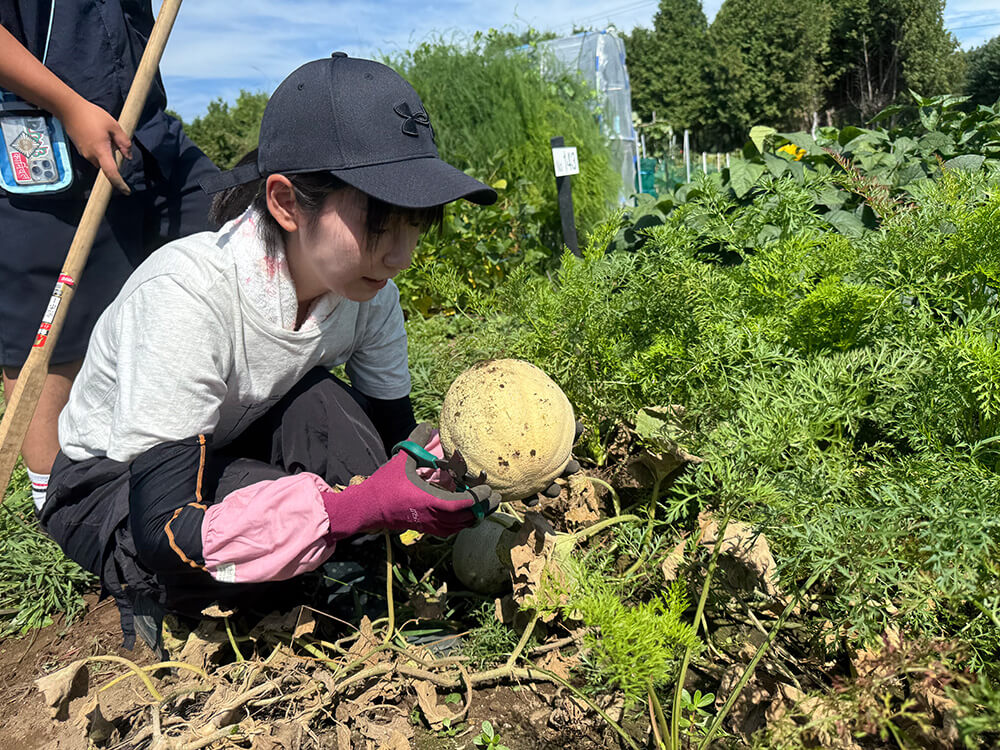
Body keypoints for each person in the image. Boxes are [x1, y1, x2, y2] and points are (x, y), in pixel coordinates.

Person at [39, 53, 504, 653]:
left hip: (228, 435)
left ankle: (356, 578)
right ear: (285, 203)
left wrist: (450, 468)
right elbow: (165, 529)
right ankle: (149, 588)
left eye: (418, 224)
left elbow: (393, 436)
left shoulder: (367, 291)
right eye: (381, 224)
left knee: (332, 418)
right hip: (120, 487)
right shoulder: (189, 295)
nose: (402, 256)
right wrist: (348, 511)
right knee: (268, 555)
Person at [0, 1, 219, 510]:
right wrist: (69, 107)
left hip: (143, 126)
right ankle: (61, 507)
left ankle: (204, 445)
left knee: (228, 231)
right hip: (40, 130)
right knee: (52, 323)